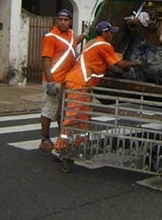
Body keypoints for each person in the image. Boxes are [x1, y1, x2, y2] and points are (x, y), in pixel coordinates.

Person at [54, 21, 140, 150]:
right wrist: (135, 63)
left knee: (83, 117)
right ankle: (61, 146)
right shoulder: (104, 45)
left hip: (82, 83)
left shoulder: (92, 42)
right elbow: (121, 64)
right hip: (79, 82)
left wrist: (115, 69)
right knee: (73, 116)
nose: (112, 35)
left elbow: (103, 62)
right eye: (111, 32)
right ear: (105, 33)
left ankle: (79, 142)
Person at [38, 9, 86, 152]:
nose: (63, 22)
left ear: (70, 22)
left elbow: (72, 44)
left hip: (66, 80)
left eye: (66, 20)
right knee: (49, 110)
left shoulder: (70, 35)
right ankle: (45, 139)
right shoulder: (50, 37)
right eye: (60, 19)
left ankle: (62, 137)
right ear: (56, 21)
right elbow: (46, 60)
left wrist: (84, 35)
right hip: (54, 80)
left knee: (62, 111)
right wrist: (50, 82)